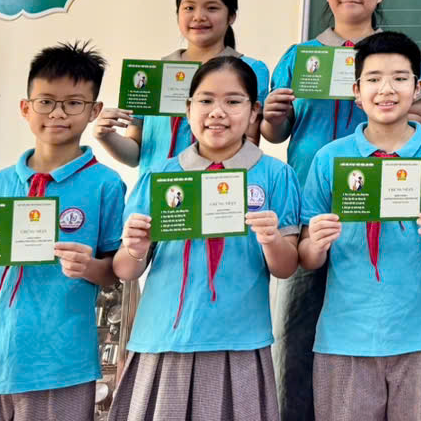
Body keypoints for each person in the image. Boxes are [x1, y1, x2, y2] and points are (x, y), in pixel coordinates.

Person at [0, 42, 126, 421]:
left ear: (94, 111)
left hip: (60, 366)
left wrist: (88, 267)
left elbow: (114, 274)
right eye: (46, 101)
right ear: (25, 108)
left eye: (73, 103)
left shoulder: (105, 184)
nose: (58, 113)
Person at [111, 56, 301, 421]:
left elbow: (286, 267)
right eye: (206, 100)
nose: (217, 112)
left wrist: (271, 240)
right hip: (164, 338)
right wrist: (135, 249)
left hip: (239, 340)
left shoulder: (276, 175)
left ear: (254, 111)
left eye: (233, 101)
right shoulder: (161, 175)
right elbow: (125, 269)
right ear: (188, 108)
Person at [299, 32, 421, 421]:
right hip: (345, 336)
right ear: (356, 92)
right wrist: (316, 244)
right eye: (373, 79)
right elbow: (306, 256)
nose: (386, 89)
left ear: (418, 87)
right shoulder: (330, 158)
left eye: (399, 78)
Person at [262, 0, 387, 421]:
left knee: (369, 323)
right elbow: (276, 133)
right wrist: (274, 115)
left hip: (376, 207)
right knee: (299, 327)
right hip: (306, 207)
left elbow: (416, 124)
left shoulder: (392, 53)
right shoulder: (299, 56)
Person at [94, 0, 270, 172]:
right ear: (178, 14)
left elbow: (250, 143)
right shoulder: (152, 75)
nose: (199, 17)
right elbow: (136, 154)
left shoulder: (251, 69)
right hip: (159, 187)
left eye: (212, 8)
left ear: (231, 16)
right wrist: (106, 136)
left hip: (219, 187)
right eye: (189, 8)